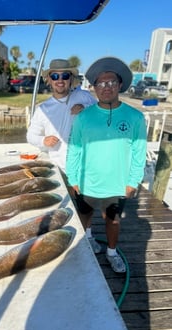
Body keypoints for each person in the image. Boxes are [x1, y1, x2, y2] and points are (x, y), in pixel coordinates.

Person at [66, 56, 147, 273]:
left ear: (120, 85)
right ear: (94, 88)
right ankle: (89, 239)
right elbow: (74, 149)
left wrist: (133, 182)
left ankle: (112, 253)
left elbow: (139, 153)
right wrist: (72, 178)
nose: (106, 87)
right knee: (85, 216)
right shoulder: (83, 117)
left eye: (111, 82)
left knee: (113, 221)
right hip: (86, 181)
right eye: (101, 83)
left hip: (117, 184)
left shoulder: (136, 117)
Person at [26, 59, 96, 172]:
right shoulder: (42, 110)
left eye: (65, 76)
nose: (60, 80)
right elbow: (31, 136)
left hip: (88, 168)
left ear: (71, 78)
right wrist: (43, 140)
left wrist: (86, 108)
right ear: (48, 79)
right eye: (54, 76)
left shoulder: (84, 97)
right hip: (61, 169)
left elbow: (104, 114)